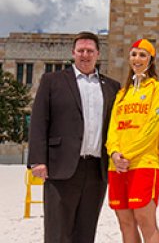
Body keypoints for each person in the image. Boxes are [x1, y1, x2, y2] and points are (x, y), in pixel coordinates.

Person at [27, 31, 120, 243]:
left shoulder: (112, 87)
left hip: (96, 169)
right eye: (81, 51)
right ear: (73, 53)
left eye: (90, 51)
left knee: (86, 230)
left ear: (98, 54)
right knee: (58, 230)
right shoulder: (52, 81)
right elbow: (40, 120)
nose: (85, 55)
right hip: (62, 166)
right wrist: (38, 160)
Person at [106, 38, 159, 243]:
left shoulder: (157, 89)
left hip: (143, 163)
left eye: (143, 55)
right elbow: (112, 128)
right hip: (117, 166)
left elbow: (152, 127)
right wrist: (114, 153)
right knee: (125, 223)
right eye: (134, 54)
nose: (137, 59)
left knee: (145, 221)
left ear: (151, 60)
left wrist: (128, 154)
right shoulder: (122, 93)